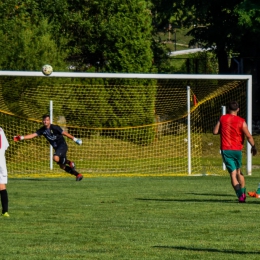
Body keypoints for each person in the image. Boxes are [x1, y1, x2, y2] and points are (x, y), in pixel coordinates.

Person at [14, 114, 83, 181]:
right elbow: (32, 135)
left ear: (49, 121)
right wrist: (21, 137)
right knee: (62, 166)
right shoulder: (42, 130)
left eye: (47, 120)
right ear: (42, 121)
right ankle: (78, 175)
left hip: (62, 146)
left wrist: (75, 139)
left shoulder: (55, 127)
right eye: (44, 120)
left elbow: (65, 133)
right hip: (57, 148)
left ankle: (70, 162)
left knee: (55, 158)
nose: (45, 121)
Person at [213, 101, 257, 203]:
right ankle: (243, 193)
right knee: (239, 172)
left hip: (226, 149)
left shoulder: (222, 118)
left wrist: (222, 129)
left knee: (233, 174)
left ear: (228, 109)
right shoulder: (241, 121)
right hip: (237, 149)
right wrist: (253, 147)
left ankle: (240, 196)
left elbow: (215, 131)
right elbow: (249, 136)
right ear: (238, 109)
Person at [0, 127, 10, 217]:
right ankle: (5, 211)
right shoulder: (1, 130)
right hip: (1, 163)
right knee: (2, 186)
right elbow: (6, 146)